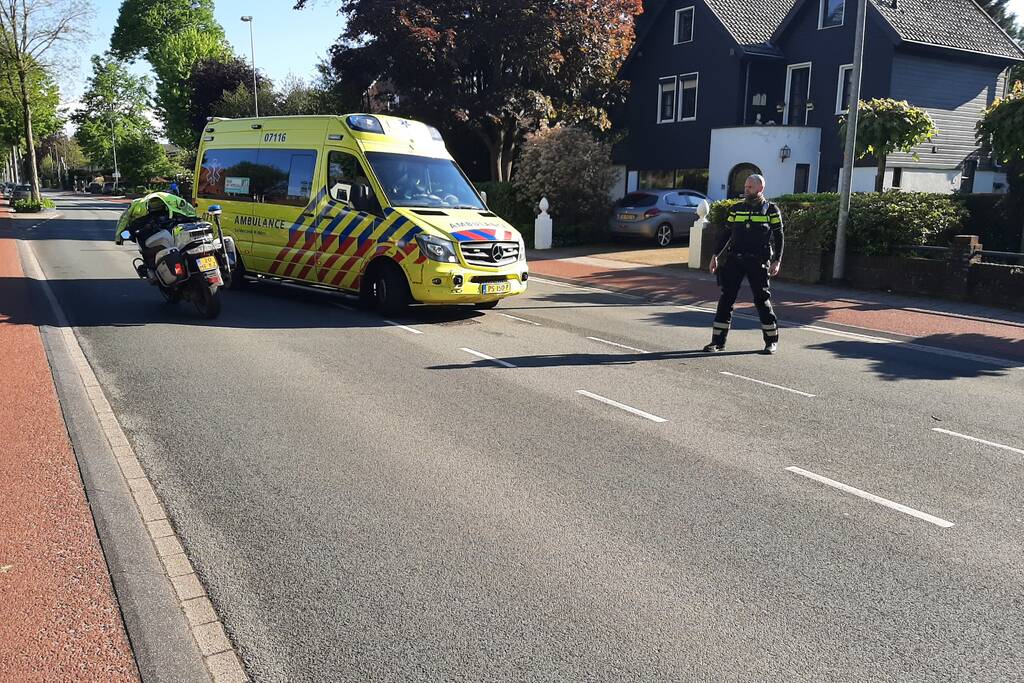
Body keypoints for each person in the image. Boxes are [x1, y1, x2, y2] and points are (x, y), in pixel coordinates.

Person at [704, 174, 784, 355]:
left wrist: (777, 260)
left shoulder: (771, 210)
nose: (745, 189)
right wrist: (715, 255)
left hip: (759, 261)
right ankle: (717, 342)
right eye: (745, 186)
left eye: (749, 187)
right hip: (735, 260)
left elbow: (779, 237)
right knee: (726, 299)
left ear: (760, 189)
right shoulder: (736, 209)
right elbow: (726, 234)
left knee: (762, 300)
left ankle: (771, 342)